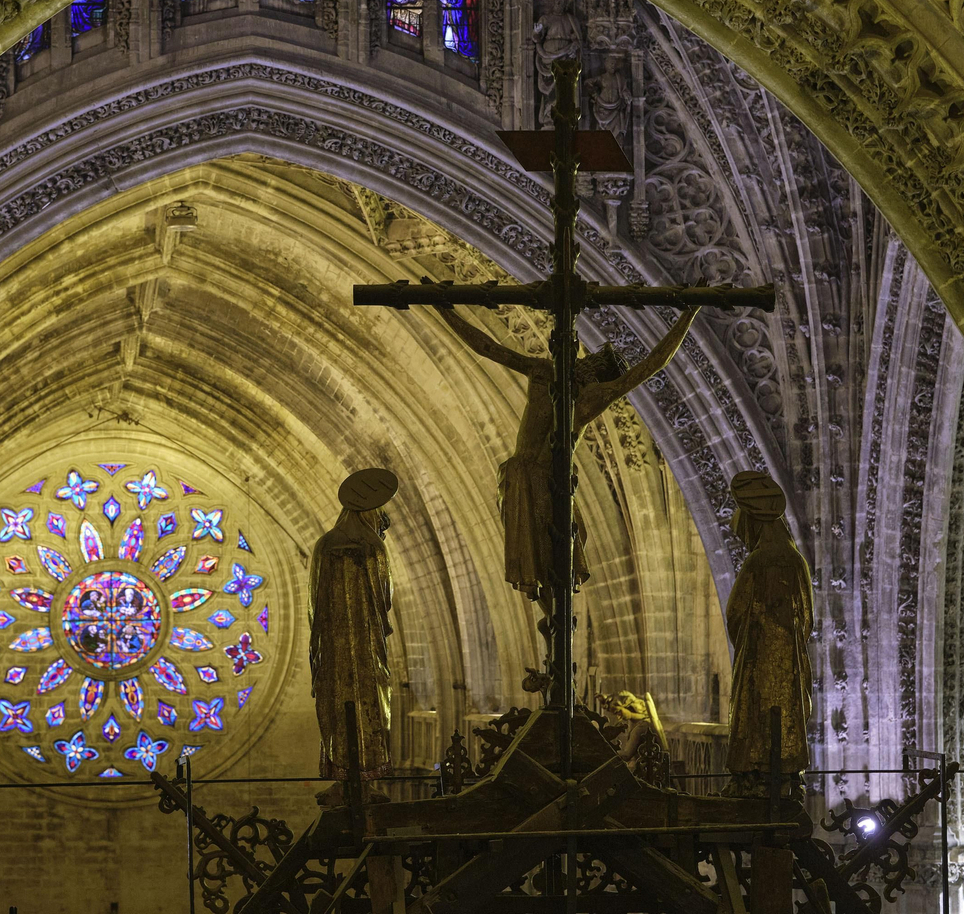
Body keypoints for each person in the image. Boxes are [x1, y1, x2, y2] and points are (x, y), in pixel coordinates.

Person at [439, 306, 699, 612]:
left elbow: (486, 347)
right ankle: (553, 618)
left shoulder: (551, 377)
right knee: (553, 556)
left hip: (527, 477)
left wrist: (445, 308)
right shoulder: (584, 396)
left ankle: (553, 619)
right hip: (541, 480)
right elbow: (653, 365)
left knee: (557, 552)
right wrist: (688, 315)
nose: (588, 367)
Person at [723, 470, 814, 799]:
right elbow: (807, 619)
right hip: (788, 667)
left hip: (756, 667)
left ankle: (751, 777)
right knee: (784, 727)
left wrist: (756, 643)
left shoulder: (757, 562)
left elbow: (734, 615)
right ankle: (786, 778)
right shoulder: (795, 560)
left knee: (755, 724)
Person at [309, 468, 398, 805]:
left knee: (333, 705)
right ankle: (364, 778)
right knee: (370, 703)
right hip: (366, 647)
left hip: (331, 648)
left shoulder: (325, 545)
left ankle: (341, 777)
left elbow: (314, 602)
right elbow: (383, 597)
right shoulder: (372, 547)